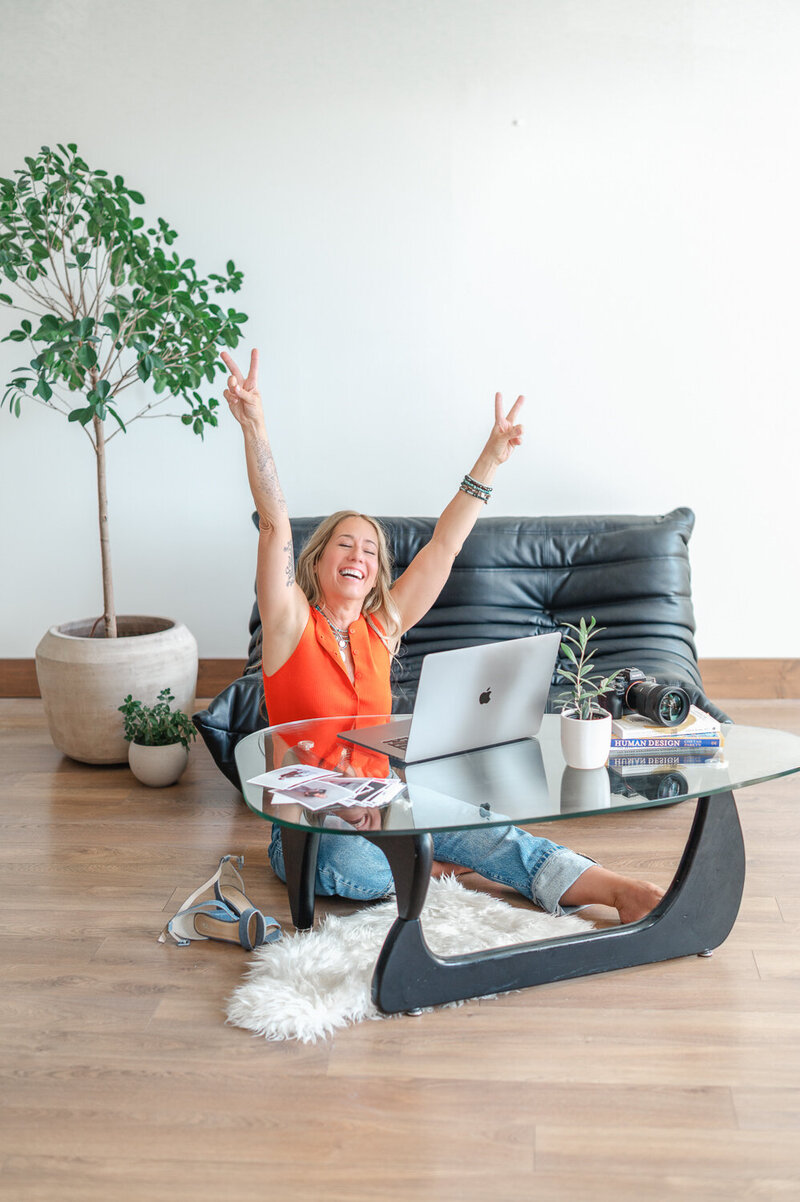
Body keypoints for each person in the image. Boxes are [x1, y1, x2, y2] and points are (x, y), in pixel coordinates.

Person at [223, 347, 664, 924]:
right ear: (318, 560)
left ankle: (614, 888)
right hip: (309, 823)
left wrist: (492, 456)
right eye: (344, 544)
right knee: (361, 871)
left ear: (378, 573)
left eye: (371, 550)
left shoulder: (381, 628)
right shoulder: (289, 623)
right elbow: (275, 522)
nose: (358, 555)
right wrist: (255, 423)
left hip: (386, 802)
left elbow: (445, 546)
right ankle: (440, 867)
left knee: (490, 829)